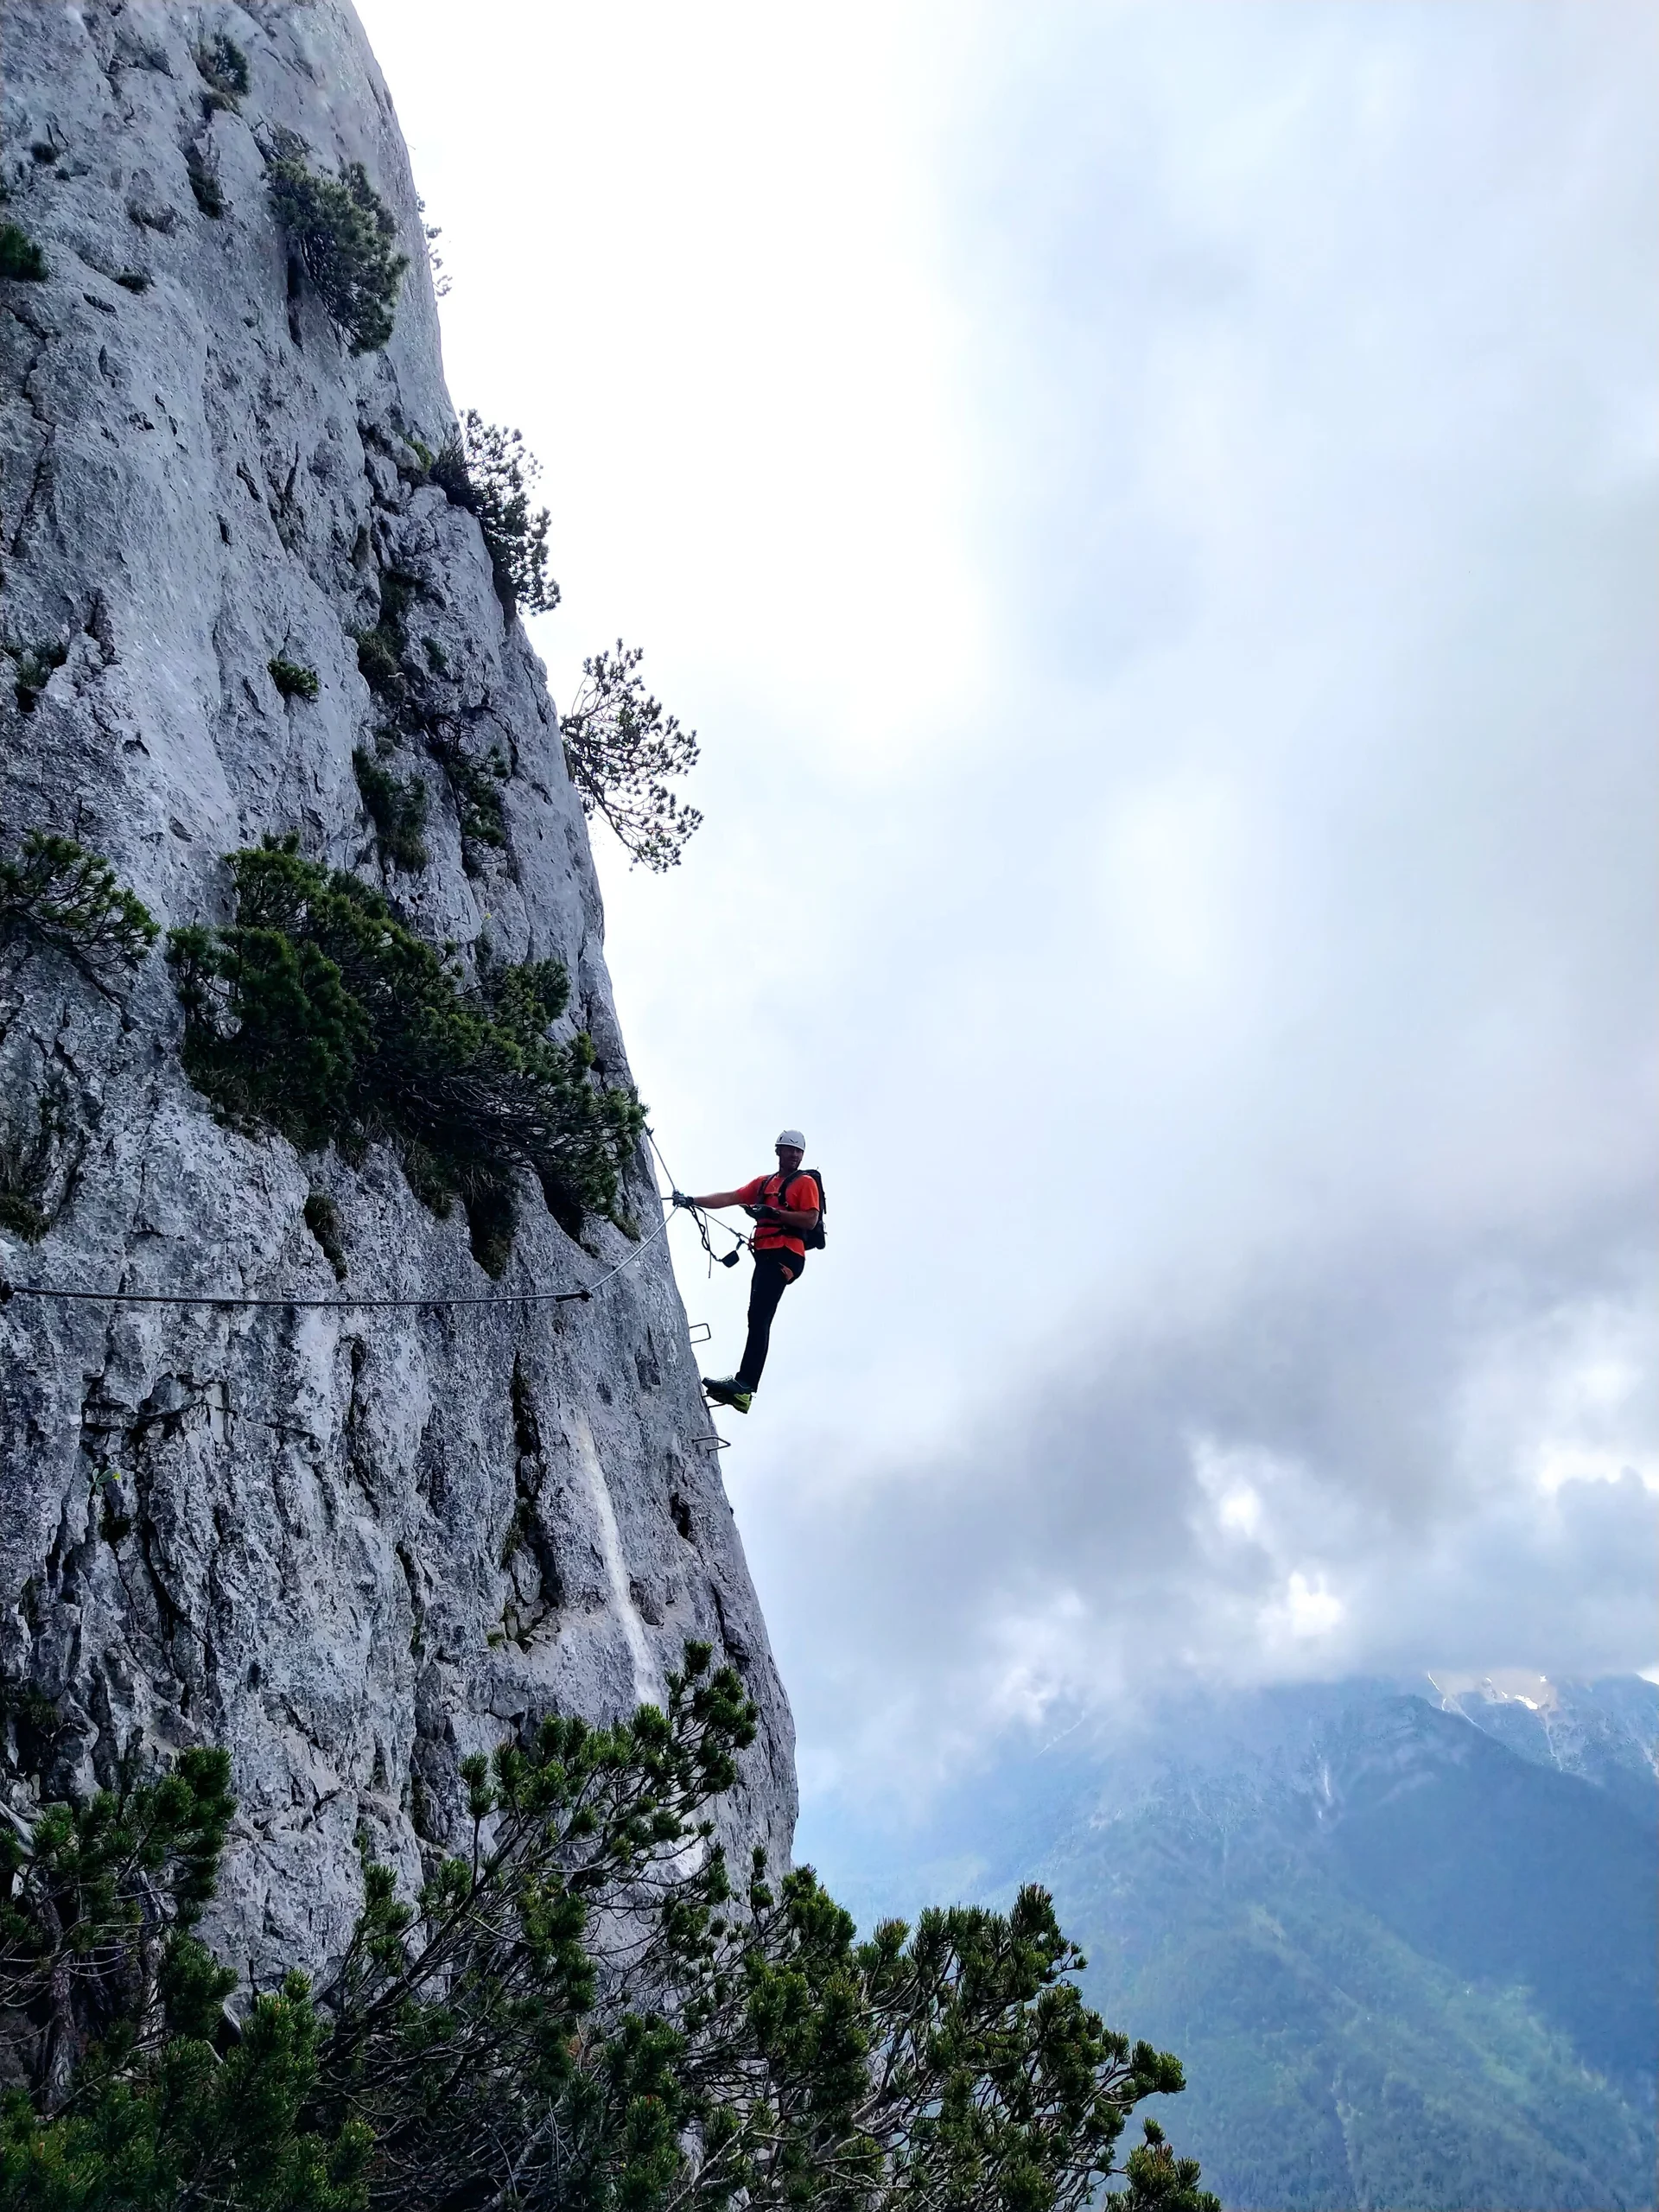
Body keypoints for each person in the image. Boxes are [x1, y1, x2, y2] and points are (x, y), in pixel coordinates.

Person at [677, 1130, 819, 1414]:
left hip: (786, 1253)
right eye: (790, 1150)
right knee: (756, 1316)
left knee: (759, 1317)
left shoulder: (805, 1182)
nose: (794, 1155)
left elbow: (811, 1218)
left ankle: (744, 1387)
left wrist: (773, 1214)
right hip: (767, 1254)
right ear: (778, 1151)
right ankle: (742, 1389)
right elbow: (730, 1197)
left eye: (798, 1152)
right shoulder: (764, 1183)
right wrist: (692, 1199)